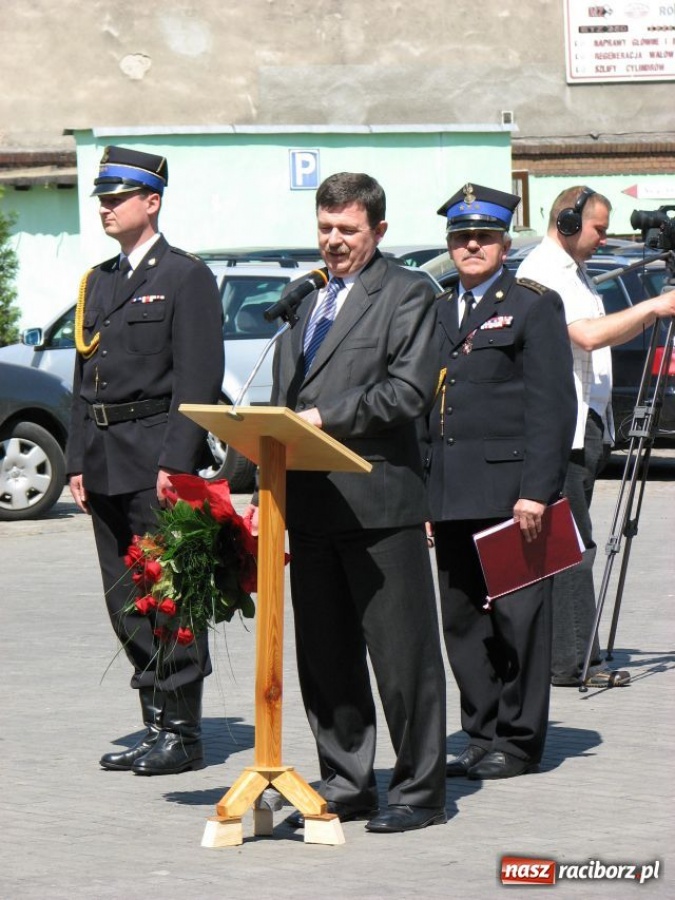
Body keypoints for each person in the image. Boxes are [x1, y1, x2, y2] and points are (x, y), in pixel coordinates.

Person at [248, 172, 447, 833]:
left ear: (379, 231)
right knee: (326, 656)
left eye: (347, 230)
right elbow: (281, 401)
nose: (333, 242)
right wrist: (240, 467)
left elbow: (405, 393)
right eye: (324, 228)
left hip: (377, 504)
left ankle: (419, 792)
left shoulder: (410, 294)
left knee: (400, 657)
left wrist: (321, 417)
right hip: (307, 506)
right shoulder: (305, 301)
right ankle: (347, 780)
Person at [67, 146, 224, 775]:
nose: (106, 206)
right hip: (105, 458)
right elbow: (86, 377)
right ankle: (154, 721)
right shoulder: (100, 280)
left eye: (118, 197)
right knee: (125, 598)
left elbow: (197, 376)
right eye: (102, 197)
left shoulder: (184, 277)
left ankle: (183, 732)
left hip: (155, 455)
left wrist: (177, 461)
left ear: (151, 202)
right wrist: (77, 458)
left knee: (170, 596)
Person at [424, 182, 577, 780]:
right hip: (450, 492)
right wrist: (424, 498)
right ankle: (479, 733)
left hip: (513, 495)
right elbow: (428, 407)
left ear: (504, 242)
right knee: (462, 622)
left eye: (484, 236)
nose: (472, 246)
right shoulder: (438, 311)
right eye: (462, 237)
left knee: (517, 620)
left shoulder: (534, 305)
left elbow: (551, 407)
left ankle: (518, 741)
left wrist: (538, 490)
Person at [517, 186, 675, 688]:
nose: (604, 240)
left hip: (588, 422)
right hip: (563, 425)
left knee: (566, 541)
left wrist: (648, 313)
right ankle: (574, 659)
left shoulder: (575, 271)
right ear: (565, 221)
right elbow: (585, 335)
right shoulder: (543, 272)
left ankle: (566, 652)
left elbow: (603, 330)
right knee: (573, 544)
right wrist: (655, 305)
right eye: (598, 229)